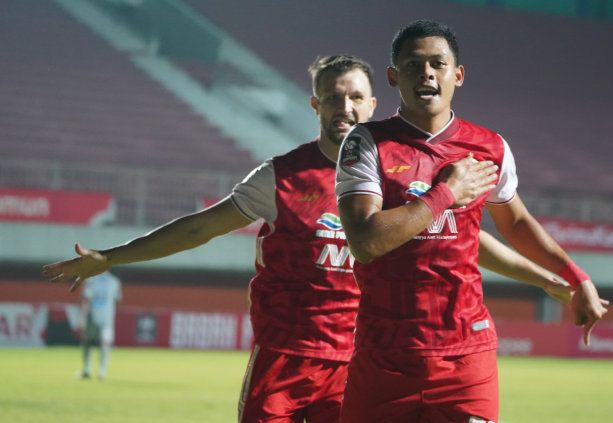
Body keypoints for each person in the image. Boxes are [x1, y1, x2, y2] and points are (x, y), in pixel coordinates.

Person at [43, 54, 572, 422]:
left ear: (373, 104)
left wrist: (545, 277)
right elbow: (200, 227)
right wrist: (112, 257)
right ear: (315, 106)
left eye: (356, 98)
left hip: (364, 360)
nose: (345, 108)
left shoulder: (397, 172)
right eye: (333, 98)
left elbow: (467, 243)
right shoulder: (281, 177)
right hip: (286, 356)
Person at [335, 20, 609, 423]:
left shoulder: (489, 147)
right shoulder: (366, 142)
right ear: (393, 77)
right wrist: (446, 193)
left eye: (437, 64)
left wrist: (574, 276)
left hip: (466, 356)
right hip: (385, 356)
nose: (426, 73)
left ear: (457, 75)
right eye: (412, 65)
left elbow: (515, 223)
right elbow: (365, 241)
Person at [78, 270, 122, 380]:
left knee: (87, 341)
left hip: (92, 315)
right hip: (107, 317)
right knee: (105, 343)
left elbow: (86, 299)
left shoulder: (91, 280)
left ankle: (87, 369)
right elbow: (118, 299)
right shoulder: (114, 281)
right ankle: (102, 371)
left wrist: (82, 317)